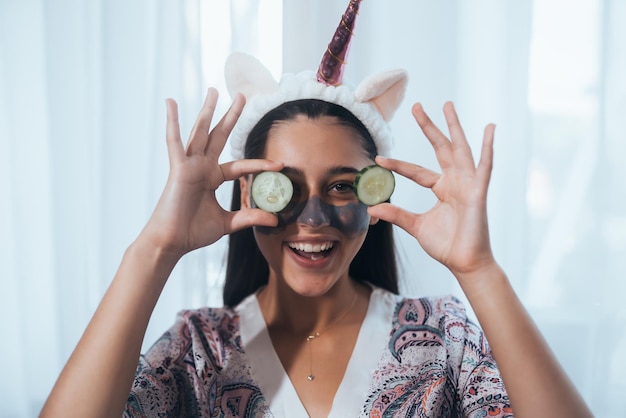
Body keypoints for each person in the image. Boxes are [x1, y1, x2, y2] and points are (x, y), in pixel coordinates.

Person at [40, 1, 593, 417]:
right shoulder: (198, 347)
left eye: (342, 187)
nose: (312, 219)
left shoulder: (444, 335)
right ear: (246, 193)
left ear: (376, 196)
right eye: (284, 186)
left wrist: (481, 271)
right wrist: (154, 250)